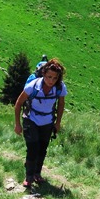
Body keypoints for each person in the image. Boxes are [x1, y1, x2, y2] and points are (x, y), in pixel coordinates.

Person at [14, 58, 67, 188]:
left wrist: (58, 122)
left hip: (47, 121)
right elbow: (18, 104)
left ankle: (37, 173)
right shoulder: (33, 86)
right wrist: (17, 124)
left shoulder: (60, 88)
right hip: (31, 119)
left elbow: (61, 105)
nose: (51, 81)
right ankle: (29, 177)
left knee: (42, 149)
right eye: (49, 77)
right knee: (33, 148)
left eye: (55, 78)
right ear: (43, 74)